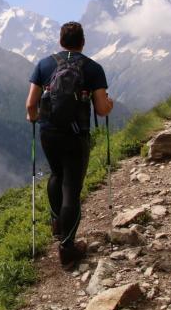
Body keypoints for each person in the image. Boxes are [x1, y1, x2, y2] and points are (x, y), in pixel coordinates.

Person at [26, 21, 113, 269]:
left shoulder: (44, 64)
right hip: (76, 135)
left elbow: (31, 105)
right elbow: (101, 109)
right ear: (82, 41)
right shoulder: (93, 68)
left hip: (48, 133)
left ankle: (56, 222)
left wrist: (33, 118)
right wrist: (110, 105)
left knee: (56, 174)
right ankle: (67, 248)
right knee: (71, 187)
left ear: (60, 41)